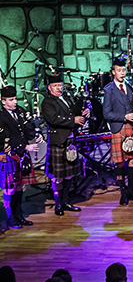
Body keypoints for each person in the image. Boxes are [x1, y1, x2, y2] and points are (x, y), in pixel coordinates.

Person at [41, 73, 88, 216]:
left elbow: (74, 113)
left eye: (60, 85)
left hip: (69, 140)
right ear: (49, 88)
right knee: (58, 176)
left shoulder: (67, 98)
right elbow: (53, 119)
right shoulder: (47, 102)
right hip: (58, 141)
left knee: (69, 175)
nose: (58, 88)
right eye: (55, 86)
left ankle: (66, 201)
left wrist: (83, 113)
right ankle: (58, 204)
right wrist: (73, 120)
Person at [104, 56, 133, 205]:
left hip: (132, 128)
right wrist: (124, 116)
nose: (122, 73)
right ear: (113, 71)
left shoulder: (128, 87)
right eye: (119, 70)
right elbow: (106, 114)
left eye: (123, 70)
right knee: (119, 163)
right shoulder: (108, 90)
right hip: (119, 128)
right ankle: (123, 193)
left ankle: (132, 192)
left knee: (132, 161)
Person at [0, 85, 39, 228]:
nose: (15, 102)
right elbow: (5, 139)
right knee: (9, 189)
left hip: (21, 156)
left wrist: (36, 134)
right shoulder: (1, 117)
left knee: (18, 187)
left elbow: (27, 129)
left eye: (15, 99)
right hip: (10, 156)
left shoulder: (19, 112)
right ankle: (11, 217)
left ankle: (19, 215)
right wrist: (25, 147)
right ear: (3, 101)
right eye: (11, 99)